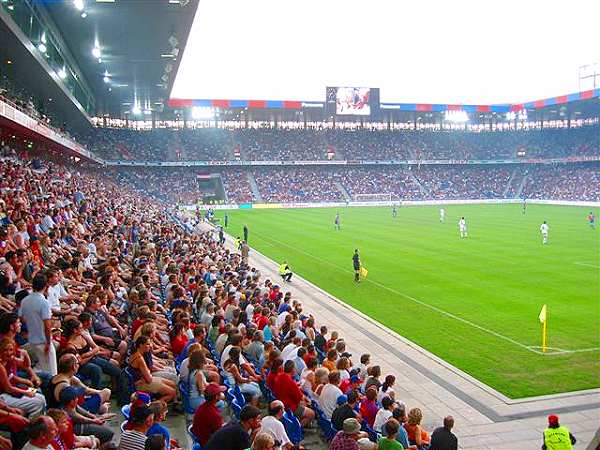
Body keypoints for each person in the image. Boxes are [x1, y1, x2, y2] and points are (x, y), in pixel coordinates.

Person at [19, 273, 57, 375]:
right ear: (46, 286)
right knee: (52, 372)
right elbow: (47, 326)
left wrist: (33, 323)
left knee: (42, 367)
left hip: (32, 340)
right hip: (43, 341)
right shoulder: (44, 302)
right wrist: (48, 343)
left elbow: (22, 318)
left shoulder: (24, 300)